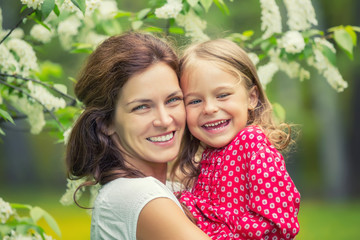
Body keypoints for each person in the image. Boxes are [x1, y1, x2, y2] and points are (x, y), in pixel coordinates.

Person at [65, 32, 212, 240]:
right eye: (142, 107)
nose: (164, 120)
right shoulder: (139, 195)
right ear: (107, 122)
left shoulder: (166, 189)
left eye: (173, 100)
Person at [172, 39, 301, 240]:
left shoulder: (252, 143)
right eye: (195, 101)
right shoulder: (211, 154)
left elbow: (276, 223)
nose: (209, 108)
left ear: (251, 98)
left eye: (222, 95)